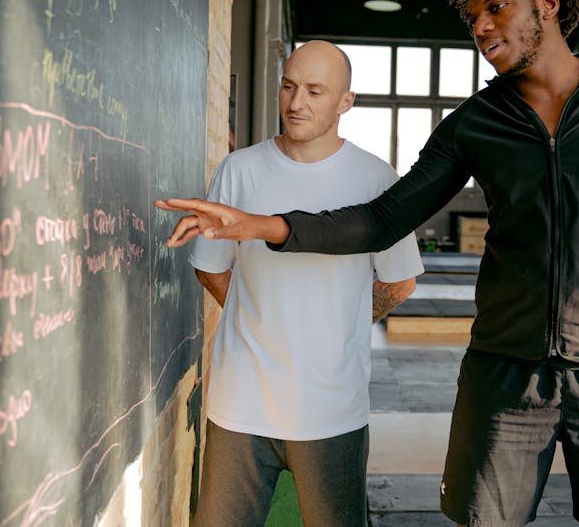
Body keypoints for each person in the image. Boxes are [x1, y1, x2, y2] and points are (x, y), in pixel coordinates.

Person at [158, 0, 579, 527]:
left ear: (548, 4)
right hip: (504, 372)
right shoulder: (475, 123)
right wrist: (262, 225)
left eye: (496, 8)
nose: (481, 27)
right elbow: (381, 219)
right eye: (473, 17)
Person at [161, 40, 424, 527]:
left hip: (332, 406)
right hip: (241, 401)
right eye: (288, 86)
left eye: (315, 91)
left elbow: (399, 282)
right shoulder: (240, 169)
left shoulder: (377, 179)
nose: (296, 103)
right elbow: (210, 266)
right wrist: (260, 316)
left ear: (346, 102)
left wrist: (337, 324)